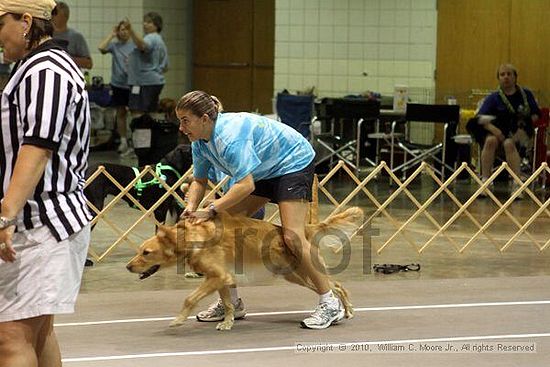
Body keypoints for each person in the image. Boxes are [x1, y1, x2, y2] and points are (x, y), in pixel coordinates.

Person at [175, 90, 345, 330]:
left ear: (204, 118)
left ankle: (330, 302)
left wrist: (211, 209)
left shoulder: (230, 138)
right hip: (264, 169)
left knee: (292, 237)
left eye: (185, 121)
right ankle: (231, 303)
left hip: (292, 163)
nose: (181, 128)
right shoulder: (199, 143)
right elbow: (199, 181)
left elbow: (246, 185)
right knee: (221, 230)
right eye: (179, 121)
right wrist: (191, 207)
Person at [0, 1, 92, 366]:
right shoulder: (35, 68)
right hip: (37, 220)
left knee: (10, 337)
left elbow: (38, 147)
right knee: (35, 333)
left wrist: (6, 214)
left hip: (42, 222)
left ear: (26, 21)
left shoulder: (46, 70)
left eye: (0, 24)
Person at [475, 63, 540, 195]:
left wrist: (522, 128)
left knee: (509, 143)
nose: (506, 77)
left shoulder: (526, 94)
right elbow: (480, 118)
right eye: (502, 74)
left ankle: (516, 184)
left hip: (519, 133)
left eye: (509, 74)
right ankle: (485, 182)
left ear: (515, 77)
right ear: (498, 78)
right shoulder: (493, 97)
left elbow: (536, 115)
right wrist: (495, 130)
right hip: (497, 132)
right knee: (490, 141)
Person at [123, 12, 168, 156]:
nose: (144, 24)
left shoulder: (151, 38)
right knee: (149, 114)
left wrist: (131, 31)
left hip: (144, 82)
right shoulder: (161, 41)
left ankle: (141, 148)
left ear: (156, 25)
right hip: (153, 81)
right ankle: (150, 146)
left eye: (148, 22)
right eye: (144, 22)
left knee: (139, 116)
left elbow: (143, 46)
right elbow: (166, 65)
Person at [98, 20, 135, 154]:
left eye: (126, 29)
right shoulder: (114, 46)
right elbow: (101, 48)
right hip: (118, 84)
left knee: (134, 113)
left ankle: (134, 141)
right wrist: (112, 34)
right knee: (120, 112)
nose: (123, 32)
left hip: (132, 83)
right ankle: (123, 141)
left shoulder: (134, 45)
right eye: (121, 29)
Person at [51, 1, 92, 69]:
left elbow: (88, 64)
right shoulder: (46, 36)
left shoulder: (76, 37)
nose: (52, 16)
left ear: (65, 17)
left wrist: (65, 58)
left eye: (55, 13)